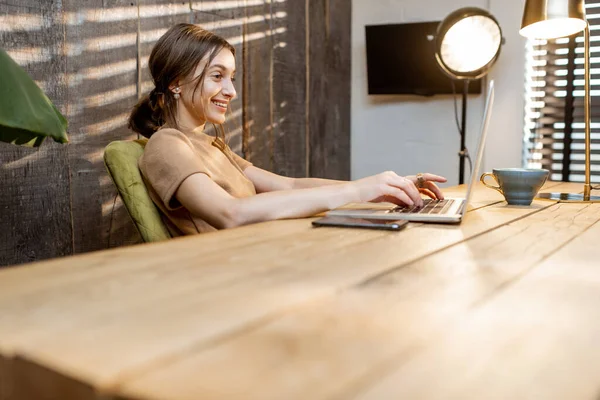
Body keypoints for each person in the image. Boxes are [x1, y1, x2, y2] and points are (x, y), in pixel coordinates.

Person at [129, 23, 446, 236]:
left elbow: (291, 185)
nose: (231, 91)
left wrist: (379, 190)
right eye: (217, 76)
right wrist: (356, 192)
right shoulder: (167, 143)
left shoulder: (211, 146)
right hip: (227, 275)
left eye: (232, 78)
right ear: (175, 83)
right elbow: (229, 214)